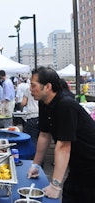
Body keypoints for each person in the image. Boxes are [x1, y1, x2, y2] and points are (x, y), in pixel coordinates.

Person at [27, 67, 95, 202]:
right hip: (76, 165)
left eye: (33, 85)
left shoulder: (65, 105)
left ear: (47, 87)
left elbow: (63, 146)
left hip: (91, 163)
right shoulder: (44, 103)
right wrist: (36, 165)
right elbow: (44, 135)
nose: (30, 89)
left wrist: (56, 184)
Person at [20, 81, 39, 151]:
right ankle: (41, 159)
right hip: (41, 116)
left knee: (33, 139)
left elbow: (23, 103)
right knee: (42, 139)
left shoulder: (28, 90)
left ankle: (33, 158)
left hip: (31, 116)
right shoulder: (42, 89)